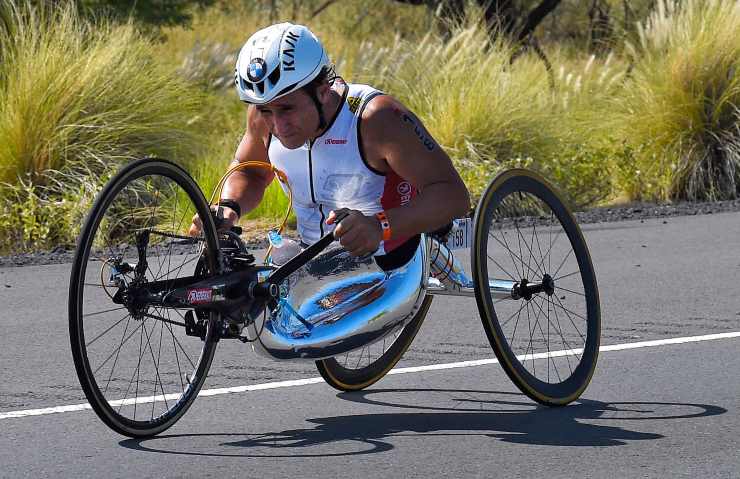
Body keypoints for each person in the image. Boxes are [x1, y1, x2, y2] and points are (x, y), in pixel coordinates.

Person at [189, 22, 470, 264]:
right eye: (265, 110)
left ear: (323, 90)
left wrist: (379, 226)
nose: (277, 125)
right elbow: (250, 170)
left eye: (287, 109)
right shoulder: (263, 115)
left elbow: (454, 195)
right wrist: (228, 208)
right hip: (315, 261)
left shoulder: (377, 119)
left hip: (389, 257)